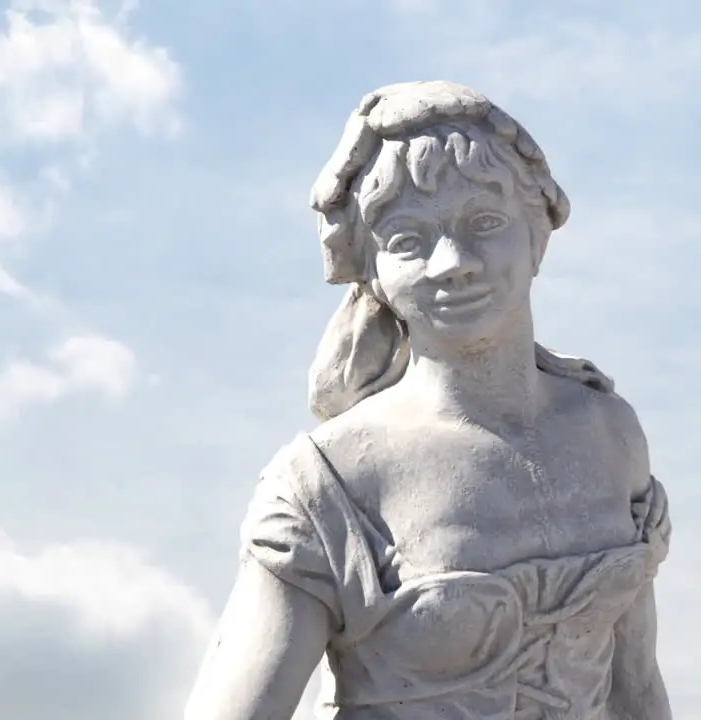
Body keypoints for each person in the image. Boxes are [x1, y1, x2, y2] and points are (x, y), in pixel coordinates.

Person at [183, 81, 672, 720]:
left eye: (485, 223)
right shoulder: (328, 483)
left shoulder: (609, 434)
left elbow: (634, 688)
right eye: (408, 240)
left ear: (538, 236)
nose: (452, 263)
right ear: (373, 268)